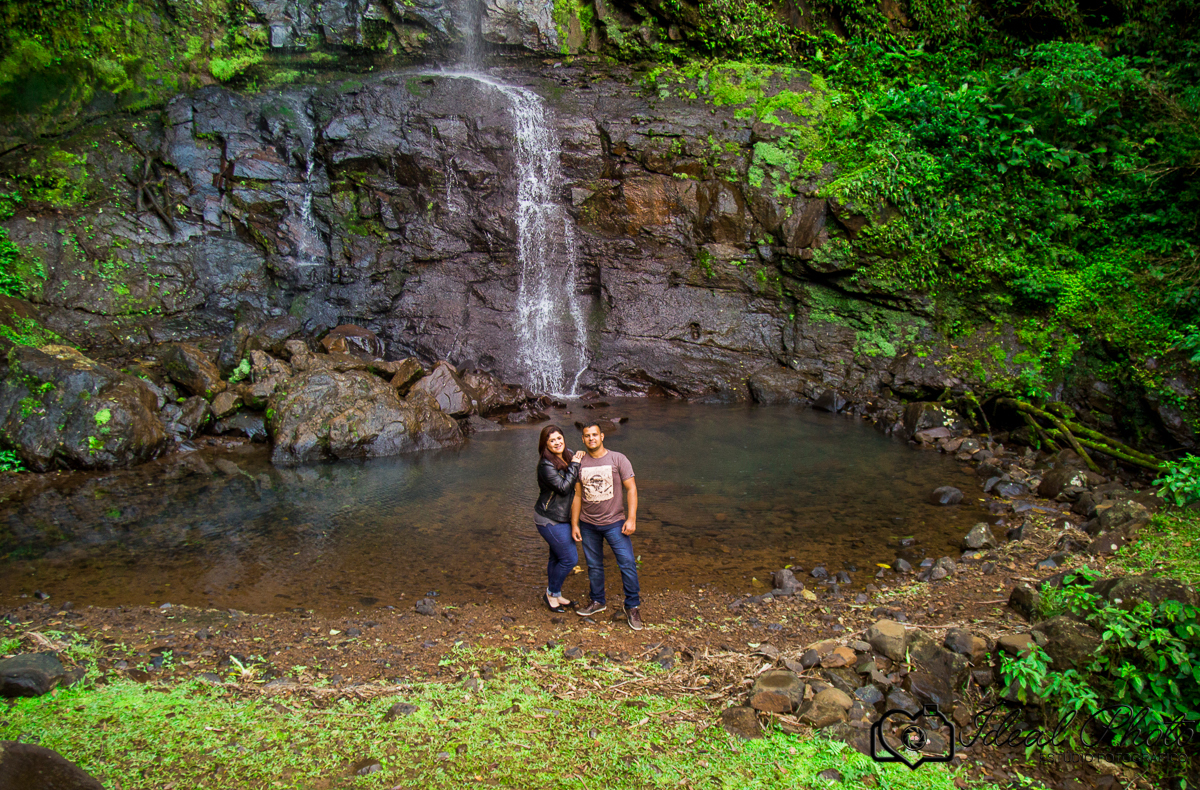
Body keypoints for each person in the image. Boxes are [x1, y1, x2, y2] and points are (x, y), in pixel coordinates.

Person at [571, 421, 643, 630]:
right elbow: (576, 495)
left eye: (594, 434)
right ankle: (597, 601)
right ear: (583, 439)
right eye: (587, 436)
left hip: (615, 523)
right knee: (594, 566)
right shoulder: (580, 463)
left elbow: (632, 489)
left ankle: (632, 606)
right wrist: (574, 523)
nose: (591, 438)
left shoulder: (618, 459)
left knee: (627, 563)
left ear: (602, 436)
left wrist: (632, 518)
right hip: (588, 524)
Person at [534, 425, 585, 613]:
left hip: (561, 516)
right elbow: (563, 487)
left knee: (556, 557)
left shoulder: (568, 454)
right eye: (552, 440)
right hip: (549, 518)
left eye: (559, 438)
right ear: (545, 444)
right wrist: (575, 464)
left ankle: (555, 594)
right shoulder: (545, 465)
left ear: (564, 438)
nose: (557, 442)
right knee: (570, 559)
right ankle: (551, 593)